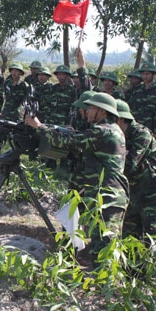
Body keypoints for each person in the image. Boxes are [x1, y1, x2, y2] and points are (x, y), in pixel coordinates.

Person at [26, 92, 129, 262]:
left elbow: (70, 141)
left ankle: (107, 286)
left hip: (108, 197)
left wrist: (40, 126)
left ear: (102, 112)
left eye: (91, 108)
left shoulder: (105, 132)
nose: (87, 111)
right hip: (98, 194)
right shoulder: (107, 131)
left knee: (104, 250)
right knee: (81, 237)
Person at [115, 100, 156, 240]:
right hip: (134, 193)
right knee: (128, 239)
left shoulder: (141, 134)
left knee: (151, 240)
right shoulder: (119, 135)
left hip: (153, 193)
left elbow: (129, 164)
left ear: (120, 119)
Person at [0, 62, 28, 157]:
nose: (14, 72)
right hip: (6, 113)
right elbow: (1, 96)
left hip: (17, 115)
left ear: (21, 73)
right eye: (12, 70)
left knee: (16, 137)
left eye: (17, 71)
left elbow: (27, 102)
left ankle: (15, 156)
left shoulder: (25, 86)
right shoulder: (7, 83)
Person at [126, 62, 156, 137]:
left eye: (147, 74)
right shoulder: (137, 90)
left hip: (149, 127)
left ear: (153, 75)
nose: (145, 76)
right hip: (135, 125)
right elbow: (131, 107)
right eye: (143, 74)